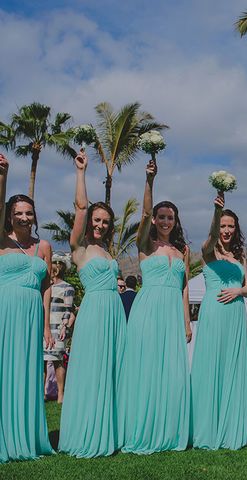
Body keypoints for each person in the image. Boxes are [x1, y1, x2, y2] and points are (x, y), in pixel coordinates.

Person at [117, 158, 192, 454]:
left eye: (169, 217)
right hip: (148, 311)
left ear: (175, 221)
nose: (164, 221)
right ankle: (142, 428)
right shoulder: (146, 245)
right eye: (161, 217)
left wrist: (186, 321)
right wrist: (149, 181)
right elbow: (144, 212)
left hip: (172, 313)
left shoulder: (182, 250)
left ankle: (169, 429)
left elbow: (185, 288)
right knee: (146, 370)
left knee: (172, 373)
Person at [59, 150, 126, 458]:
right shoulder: (80, 248)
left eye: (105, 222)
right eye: (97, 220)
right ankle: (86, 432)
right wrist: (81, 172)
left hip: (115, 316)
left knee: (112, 372)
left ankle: (110, 431)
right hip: (95, 315)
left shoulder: (108, 252)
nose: (100, 225)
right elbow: (81, 206)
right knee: (92, 371)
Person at [0, 154, 54, 463]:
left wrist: (46, 325)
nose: (24, 217)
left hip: (32, 314)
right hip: (5, 310)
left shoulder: (43, 247)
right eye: (18, 213)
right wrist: (3, 177)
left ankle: (26, 434)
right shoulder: (0, 240)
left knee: (26, 373)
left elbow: (46, 286)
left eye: (29, 213)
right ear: (9, 216)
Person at [190, 190, 247, 450]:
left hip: (236, 314)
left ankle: (231, 427)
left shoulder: (240, 256)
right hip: (214, 314)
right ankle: (209, 427)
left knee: (233, 367)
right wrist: (217, 211)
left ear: (236, 229)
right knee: (212, 366)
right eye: (223, 226)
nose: (226, 231)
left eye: (230, 226)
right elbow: (211, 237)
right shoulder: (208, 252)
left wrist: (239, 290)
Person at [44, 253, 75, 404]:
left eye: (58, 262)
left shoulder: (67, 287)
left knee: (57, 361)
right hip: (44, 326)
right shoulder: (44, 286)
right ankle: (42, 393)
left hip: (58, 328)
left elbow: (68, 310)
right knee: (43, 360)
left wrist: (64, 327)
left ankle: (60, 393)